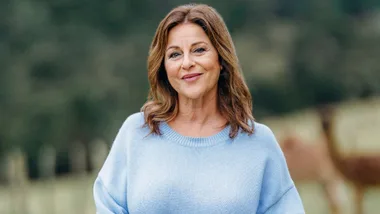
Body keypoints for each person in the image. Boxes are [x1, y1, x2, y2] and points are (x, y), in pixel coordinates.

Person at [93, 3, 305, 214]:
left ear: (221, 58)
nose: (187, 63)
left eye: (199, 50)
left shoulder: (259, 142)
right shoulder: (137, 132)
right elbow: (108, 206)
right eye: (175, 54)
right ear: (164, 67)